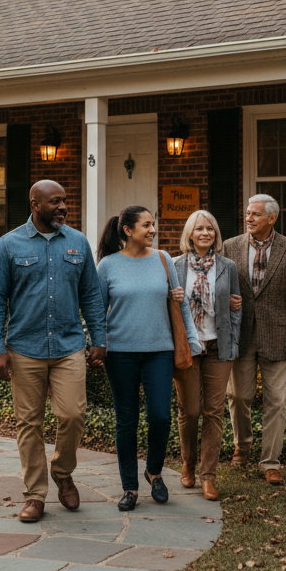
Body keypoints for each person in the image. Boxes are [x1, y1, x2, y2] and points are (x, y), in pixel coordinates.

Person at [0, 179, 107, 523]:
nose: (63, 207)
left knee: (72, 414)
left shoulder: (78, 242)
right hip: (25, 347)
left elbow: (92, 296)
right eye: (55, 202)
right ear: (35, 205)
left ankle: (63, 472)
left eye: (65, 201)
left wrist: (99, 339)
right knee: (29, 424)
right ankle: (35, 495)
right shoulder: (9, 245)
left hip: (68, 345)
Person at [97, 205, 202, 511]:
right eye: (146, 225)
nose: (152, 230)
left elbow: (178, 303)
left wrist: (192, 341)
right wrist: (96, 344)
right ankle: (129, 487)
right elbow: (97, 311)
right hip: (120, 354)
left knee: (160, 416)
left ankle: (154, 472)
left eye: (152, 224)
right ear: (127, 230)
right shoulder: (107, 266)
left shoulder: (163, 259)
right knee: (126, 421)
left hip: (160, 350)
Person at [222, 195, 286, 486]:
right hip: (241, 334)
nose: (249, 219)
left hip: (279, 337)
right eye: (248, 213)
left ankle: (271, 462)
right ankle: (242, 444)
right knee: (239, 396)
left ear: (271, 219)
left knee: (276, 402)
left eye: (256, 214)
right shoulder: (230, 247)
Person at [172, 209, 242, 501]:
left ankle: (208, 476)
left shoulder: (228, 266)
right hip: (188, 346)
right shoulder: (174, 266)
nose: (205, 233)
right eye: (199, 228)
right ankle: (187, 463)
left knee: (214, 412)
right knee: (189, 411)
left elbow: (237, 309)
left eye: (210, 229)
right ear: (189, 234)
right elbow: (165, 307)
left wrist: (233, 342)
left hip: (217, 347)